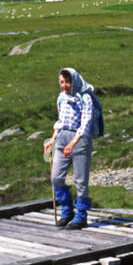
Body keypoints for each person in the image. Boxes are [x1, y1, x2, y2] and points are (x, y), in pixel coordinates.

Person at [44, 67, 95, 229]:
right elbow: (60, 121)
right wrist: (52, 139)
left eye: (68, 82)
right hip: (61, 139)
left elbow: (86, 123)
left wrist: (73, 143)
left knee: (80, 181)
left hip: (79, 141)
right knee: (56, 178)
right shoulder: (62, 98)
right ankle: (67, 210)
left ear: (75, 81)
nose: (65, 85)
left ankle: (81, 216)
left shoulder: (85, 97)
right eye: (62, 82)